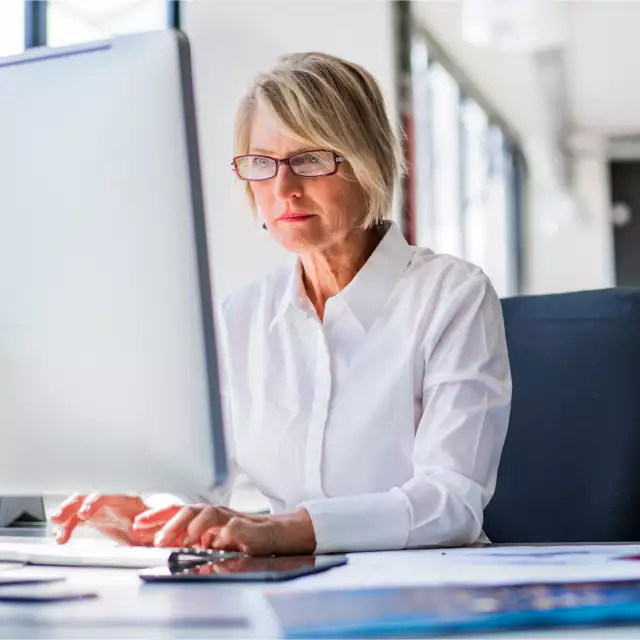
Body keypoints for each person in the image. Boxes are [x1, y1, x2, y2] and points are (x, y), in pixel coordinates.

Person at [51, 52, 512, 556]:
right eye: (261, 164)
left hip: (423, 590)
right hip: (287, 588)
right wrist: (152, 510)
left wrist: (280, 530)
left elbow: (451, 503)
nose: (283, 189)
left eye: (310, 160)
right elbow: (202, 485)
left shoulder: (451, 296)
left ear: (369, 163)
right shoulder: (242, 315)